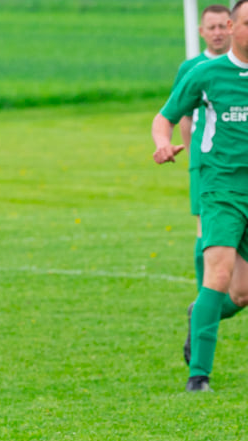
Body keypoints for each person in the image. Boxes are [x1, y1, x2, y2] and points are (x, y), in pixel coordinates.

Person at [152, 0, 248, 392]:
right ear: (232, 25)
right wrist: (162, 143)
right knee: (219, 273)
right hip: (220, 186)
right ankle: (199, 377)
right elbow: (165, 117)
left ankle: (201, 314)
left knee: (241, 294)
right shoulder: (205, 73)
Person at [171, 4, 230, 293]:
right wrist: (191, 155)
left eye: (223, 26)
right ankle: (203, 294)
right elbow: (183, 116)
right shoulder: (191, 67)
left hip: (236, 159)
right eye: (212, 27)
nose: (218, 33)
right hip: (205, 162)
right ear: (201, 31)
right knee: (203, 227)